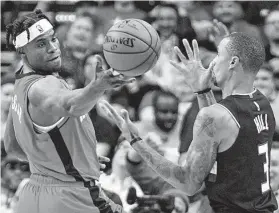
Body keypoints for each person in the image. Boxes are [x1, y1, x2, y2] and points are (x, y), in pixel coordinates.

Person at [99, 20, 278, 213]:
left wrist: (135, 140)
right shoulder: (262, 103)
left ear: (233, 62)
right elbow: (222, 135)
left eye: (218, 55)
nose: (213, 62)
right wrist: (202, 91)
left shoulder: (216, 116)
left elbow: (187, 182)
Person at [4, 9, 135, 213]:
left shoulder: (20, 84)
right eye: (40, 44)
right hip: (72, 198)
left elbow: (12, 146)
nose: (52, 48)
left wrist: (67, 160)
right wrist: (98, 86)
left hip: (33, 196)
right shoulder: (42, 86)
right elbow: (70, 105)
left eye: (53, 39)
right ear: (22, 52)